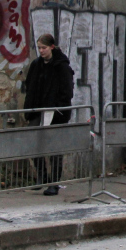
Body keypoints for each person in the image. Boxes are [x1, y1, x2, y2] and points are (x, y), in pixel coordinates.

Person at [23, 34, 74, 196]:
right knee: (32, 142)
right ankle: (42, 176)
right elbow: (30, 85)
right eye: (39, 48)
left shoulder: (61, 66)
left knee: (54, 148)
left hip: (56, 112)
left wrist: (59, 107)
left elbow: (67, 90)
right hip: (37, 110)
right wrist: (29, 108)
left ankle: (54, 183)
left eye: (44, 48)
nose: (41, 51)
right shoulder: (37, 64)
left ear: (52, 47)